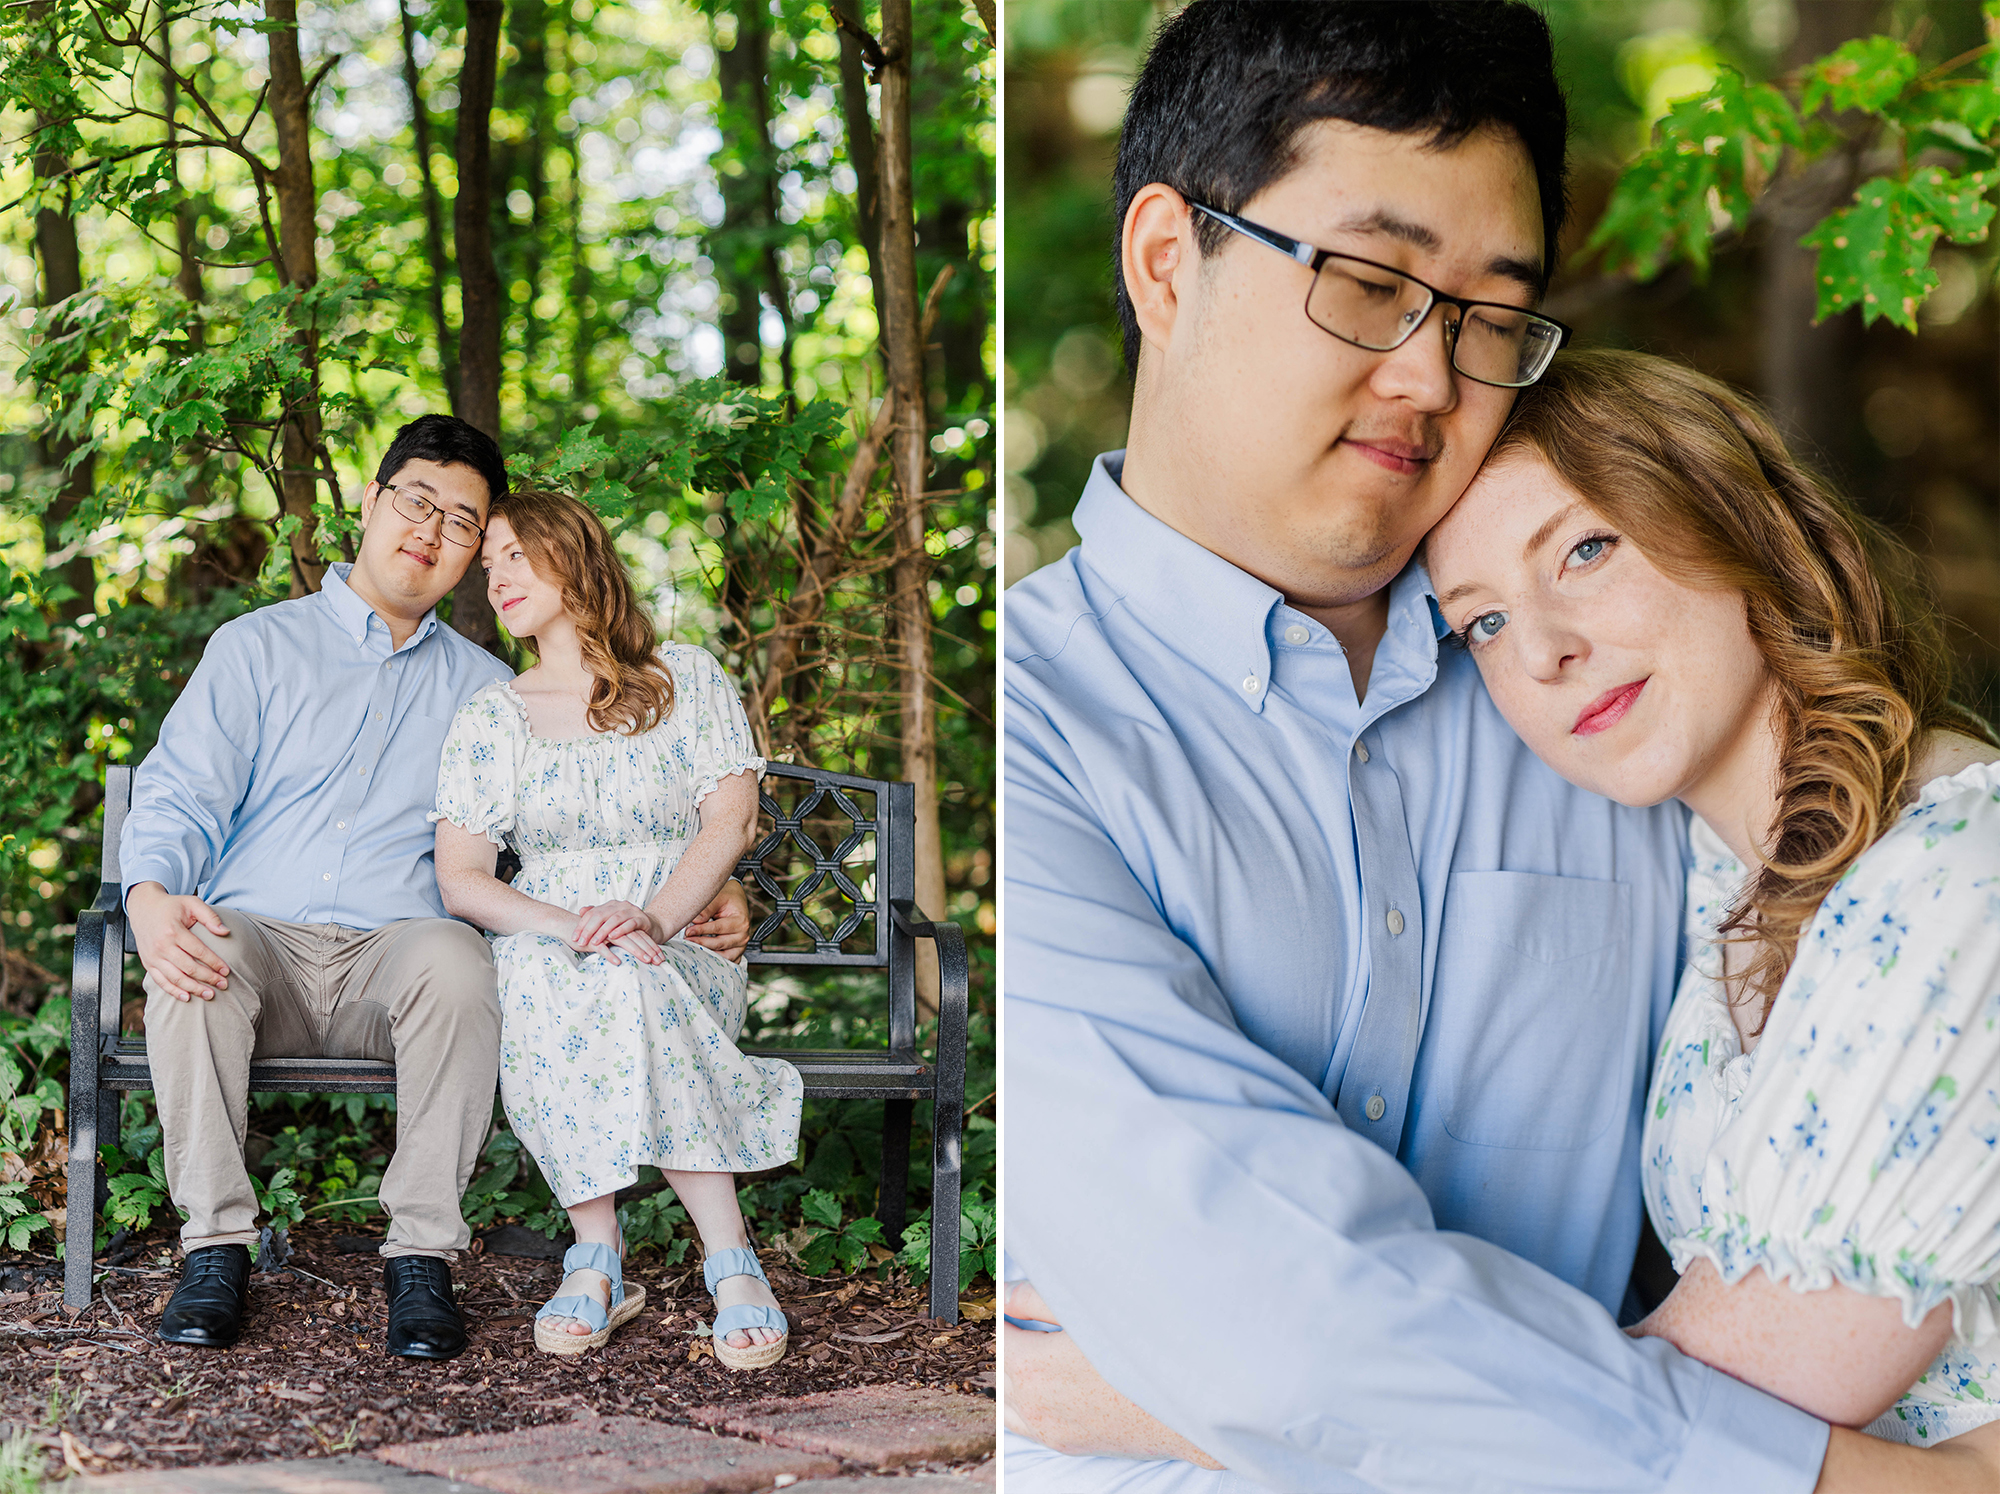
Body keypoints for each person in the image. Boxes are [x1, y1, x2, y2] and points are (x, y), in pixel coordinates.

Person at [1002, 2, 1828, 1488]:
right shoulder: (1025, 733)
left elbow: (1877, 1052)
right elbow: (1274, 1318)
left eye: (1492, 315)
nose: (1435, 379)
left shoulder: (1616, 681)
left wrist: (1197, 1397)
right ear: (1164, 262)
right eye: (1374, 284)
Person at [1422, 350, 2000, 1470]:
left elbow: (1666, 1431)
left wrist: (1193, 1409)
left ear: (1743, 528)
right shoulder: (1708, 869)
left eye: (1583, 550)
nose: (1541, 651)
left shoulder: (1952, 879)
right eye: (1479, 623)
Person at [125, 417, 750, 1359]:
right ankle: (215, 1247)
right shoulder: (258, 647)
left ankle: (421, 1255)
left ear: (474, 556)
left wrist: (704, 895)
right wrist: (146, 898)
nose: (431, 530)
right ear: (372, 504)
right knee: (193, 956)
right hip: (259, 938)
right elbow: (179, 794)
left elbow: (554, 837)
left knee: (458, 961)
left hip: (398, 956)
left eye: (462, 524)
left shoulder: (488, 689)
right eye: (417, 502)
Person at [432, 487, 801, 1366]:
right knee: (573, 972)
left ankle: (670, 1256)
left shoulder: (685, 677)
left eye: (515, 554)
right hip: (549, 941)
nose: (497, 579)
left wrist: (655, 916)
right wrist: (574, 927)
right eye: (487, 567)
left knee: (634, 967)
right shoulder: (495, 715)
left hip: (679, 935)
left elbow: (730, 820)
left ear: (576, 554)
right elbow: (464, 881)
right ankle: (617, 1250)